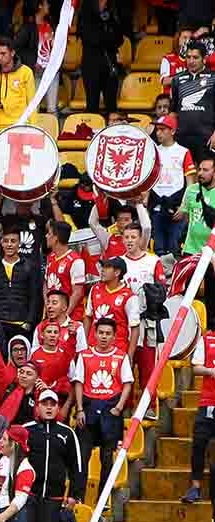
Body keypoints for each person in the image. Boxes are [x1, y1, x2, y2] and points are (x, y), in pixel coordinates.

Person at [72, 318, 134, 491]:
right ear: (95, 334)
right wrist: (80, 409)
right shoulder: (85, 355)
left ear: (114, 336)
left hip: (111, 410)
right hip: (88, 409)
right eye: (101, 333)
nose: (104, 337)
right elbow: (78, 382)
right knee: (81, 457)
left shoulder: (121, 356)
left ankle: (103, 500)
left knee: (107, 459)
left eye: (108, 333)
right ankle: (76, 498)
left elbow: (127, 383)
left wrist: (119, 407)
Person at [24, 390, 85, 522]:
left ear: (58, 408)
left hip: (54, 498)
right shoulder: (26, 430)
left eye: (53, 404)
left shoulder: (67, 433)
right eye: (45, 404)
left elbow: (77, 466)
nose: (49, 408)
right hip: (27, 496)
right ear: (38, 407)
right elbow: (14, 463)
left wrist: (74, 494)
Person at [0, 226, 40, 341]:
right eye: (6, 241)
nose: (9, 244)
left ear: (19, 243)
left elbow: (35, 297)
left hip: (22, 324)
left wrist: (29, 321)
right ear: (1, 243)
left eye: (13, 241)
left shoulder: (30, 266)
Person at [178, 156, 215, 328]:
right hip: (191, 250)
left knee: (212, 295)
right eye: (199, 169)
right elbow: (185, 216)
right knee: (186, 293)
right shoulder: (191, 190)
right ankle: (186, 327)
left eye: (205, 170)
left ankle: (212, 330)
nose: (200, 173)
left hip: (212, 252)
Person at [152, 115, 196, 256]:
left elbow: (190, 183)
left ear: (172, 131)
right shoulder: (153, 151)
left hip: (177, 207)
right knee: (158, 249)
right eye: (157, 129)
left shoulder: (183, 152)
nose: (158, 133)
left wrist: (185, 207)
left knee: (174, 248)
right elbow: (148, 181)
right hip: (157, 205)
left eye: (162, 129)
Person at [83, 257, 141, 357]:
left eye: (107, 267)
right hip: (93, 347)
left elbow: (135, 327)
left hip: (117, 350)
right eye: (102, 267)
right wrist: (85, 345)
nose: (102, 270)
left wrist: (130, 356)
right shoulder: (95, 289)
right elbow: (88, 316)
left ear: (117, 272)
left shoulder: (129, 297)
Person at [78, 0, 128, 114]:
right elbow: (91, 38)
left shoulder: (112, 13)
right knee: (92, 105)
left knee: (112, 106)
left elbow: (120, 39)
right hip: (91, 65)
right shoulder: (85, 15)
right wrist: (109, 37)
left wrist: (107, 38)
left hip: (110, 65)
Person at [183, 331, 215, 504]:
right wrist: (211, 371)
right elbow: (196, 368)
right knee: (199, 443)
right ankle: (195, 487)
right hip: (208, 401)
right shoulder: (206, 339)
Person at [170, 41, 215, 160]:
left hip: (206, 136)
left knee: (205, 170)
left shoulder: (213, 78)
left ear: (204, 59)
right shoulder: (177, 79)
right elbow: (173, 111)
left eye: (195, 57)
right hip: (181, 137)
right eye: (188, 57)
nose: (191, 61)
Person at [0, 37, 36, 130]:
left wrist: (33, 127)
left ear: (12, 53)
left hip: (19, 125)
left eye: (3, 53)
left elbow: (32, 103)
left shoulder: (26, 72)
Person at [15, 0, 58, 114]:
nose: (49, 5)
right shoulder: (28, 27)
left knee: (52, 109)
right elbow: (17, 48)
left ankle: (53, 125)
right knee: (34, 108)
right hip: (36, 72)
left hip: (52, 71)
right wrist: (32, 63)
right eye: (46, 3)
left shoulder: (52, 25)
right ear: (39, 6)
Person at [0, 426, 35, 522]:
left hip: (11, 517)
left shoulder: (25, 469)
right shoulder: (1, 454)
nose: (0, 442)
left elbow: (20, 499)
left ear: (14, 445)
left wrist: (3, 517)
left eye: (4, 439)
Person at [45, 220, 87, 320]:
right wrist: (48, 307)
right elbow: (46, 284)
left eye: (49, 233)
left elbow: (77, 292)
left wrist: (64, 316)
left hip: (71, 319)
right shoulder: (50, 257)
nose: (46, 236)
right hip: (53, 318)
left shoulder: (76, 261)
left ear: (56, 238)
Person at [161, 28, 192, 95]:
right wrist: (183, 78)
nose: (188, 41)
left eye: (190, 38)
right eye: (185, 37)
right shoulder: (168, 59)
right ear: (178, 40)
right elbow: (165, 81)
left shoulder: (195, 59)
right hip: (171, 96)